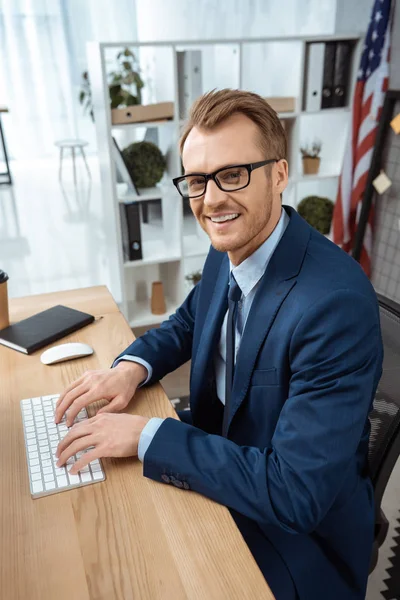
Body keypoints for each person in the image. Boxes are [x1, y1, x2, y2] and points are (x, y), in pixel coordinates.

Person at [55, 89, 383, 600]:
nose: (211, 200)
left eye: (233, 175)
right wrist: (131, 369)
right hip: (227, 462)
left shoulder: (333, 306)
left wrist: (147, 435)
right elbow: (190, 321)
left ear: (278, 174)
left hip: (298, 537)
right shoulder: (232, 243)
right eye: (197, 181)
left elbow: (295, 494)